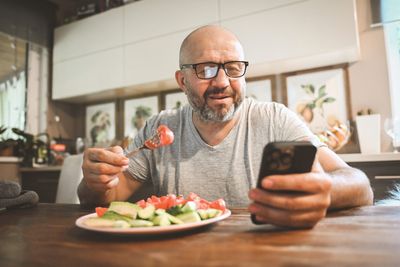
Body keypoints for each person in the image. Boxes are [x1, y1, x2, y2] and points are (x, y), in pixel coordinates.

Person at [78, 25, 373, 228]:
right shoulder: (159, 127)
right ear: (182, 81)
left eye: (232, 68)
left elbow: (359, 185)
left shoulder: (275, 119)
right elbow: (107, 198)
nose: (221, 82)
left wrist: (327, 190)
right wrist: (95, 182)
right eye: (205, 69)